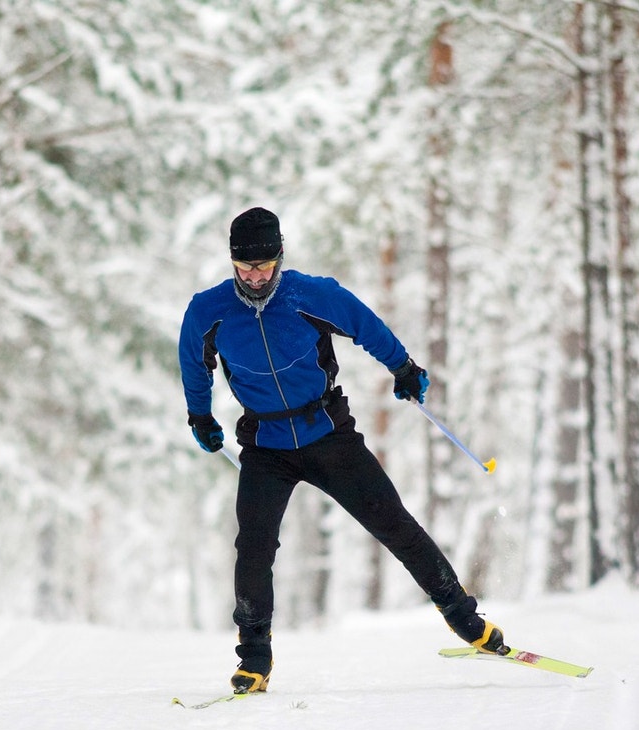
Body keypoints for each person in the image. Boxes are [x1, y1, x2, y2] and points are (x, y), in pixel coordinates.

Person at [177, 206, 509, 694]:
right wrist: (200, 417)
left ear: (279, 259)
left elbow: (366, 326)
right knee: (253, 548)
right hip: (265, 446)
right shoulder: (209, 312)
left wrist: (404, 367)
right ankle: (255, 658)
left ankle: (466, 619)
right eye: (245, 268)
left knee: (394, 524)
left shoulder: (311, 295)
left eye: (264, 267)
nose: (255, 277)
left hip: (328, 433)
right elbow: (193, 363)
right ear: (231, 264)